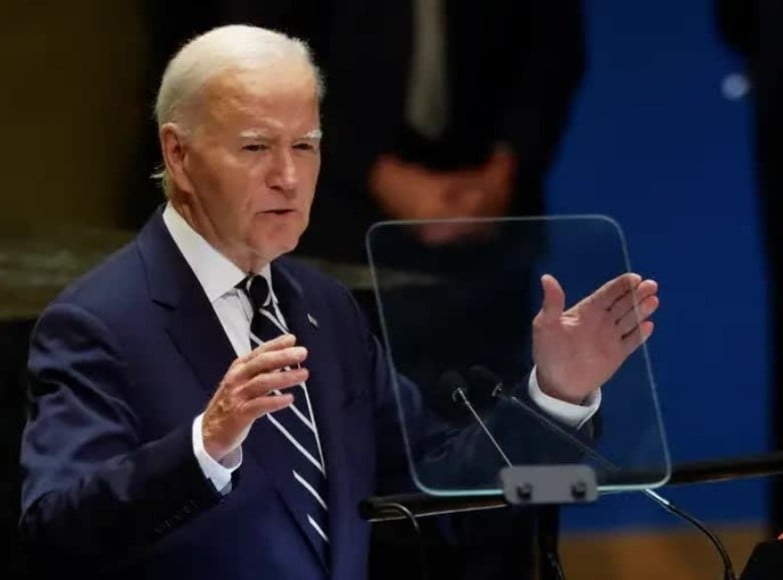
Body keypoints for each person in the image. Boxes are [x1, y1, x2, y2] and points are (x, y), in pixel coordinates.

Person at [18, 24, 659, 580]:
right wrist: (203, 446)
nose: (289, 177)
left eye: (305, 145)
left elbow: (437, 488)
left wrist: (555, 395)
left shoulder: (327, 310)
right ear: (178, 155)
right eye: (254, 147)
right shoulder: (99, 322)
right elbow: (55, 535)